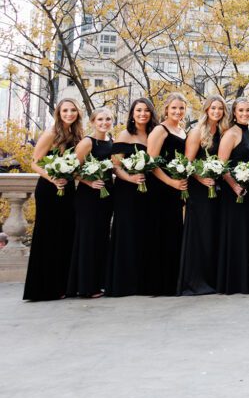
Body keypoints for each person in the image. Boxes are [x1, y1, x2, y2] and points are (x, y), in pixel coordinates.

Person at [23, 98, 83, 301]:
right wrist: (53, 178)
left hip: (68, 191)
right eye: (65, 110)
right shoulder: (50, 134)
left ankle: (62, 285)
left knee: (66, 235)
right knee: (47, 235)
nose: (69, 114)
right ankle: (42, 288)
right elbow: (35, 163)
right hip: (49, 190)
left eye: (73, 110)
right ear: (58, 113)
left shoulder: (76, 135)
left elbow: (76, 166)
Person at [178, 95, 229, 296]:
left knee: (213, 233)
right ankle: (195, 281)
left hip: (217, 190)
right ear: (206, 110)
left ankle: (212, 279)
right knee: (200, 234)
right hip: (199, 189)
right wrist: (201, 179)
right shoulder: (197, 132)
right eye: (213, 108)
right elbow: (187, 162)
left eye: (220, 109)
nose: (216, 112)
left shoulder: (223, 132)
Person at [106, 98, 157, 297]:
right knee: (127, 233)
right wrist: (131, 178)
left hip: (150, 190)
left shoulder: (154, 134)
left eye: (146, 110)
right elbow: (115, 167)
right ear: (132, 114)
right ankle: (124, 282)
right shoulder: (124, 135)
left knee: (146, 232)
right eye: (138, 110)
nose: (142, 114)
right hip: (127, 191)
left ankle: (144, 281)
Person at [66, 107, 115, 299]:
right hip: (88, 196)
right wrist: (89, 181)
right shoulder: (87, 142)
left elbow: (114, 167)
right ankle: (85, 286)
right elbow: (72, 169)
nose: (104, 123)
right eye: (100, 119)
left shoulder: (112, 142)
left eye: (108, 119)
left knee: (102, 237)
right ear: (93, 122)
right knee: (88, 238)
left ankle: (99, 282)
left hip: (107, 196)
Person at [146, 92, 189, 296]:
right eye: (174, 108)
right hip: (161, 188)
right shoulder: (159, 130)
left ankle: (173, 282)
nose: (177, 111)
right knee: (160, 233)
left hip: (176, 189)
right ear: (166, 110)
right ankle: (157, 284)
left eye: (181, 108)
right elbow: (151, 162)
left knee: (174, 234)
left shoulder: (182, 130)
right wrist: (171, 181)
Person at [216, 97, 249, 294]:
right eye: (241, 110)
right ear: (234, 112)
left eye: (248, 110)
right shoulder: (230, 134)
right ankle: (233, 281)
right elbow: (221, 164)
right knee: (236, 233)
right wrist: (234, 186)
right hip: (233, 191)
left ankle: (247, 279)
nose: (245, 113)